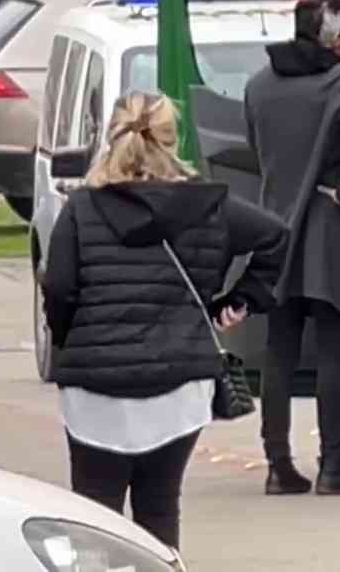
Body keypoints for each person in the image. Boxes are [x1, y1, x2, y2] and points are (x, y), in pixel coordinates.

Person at [43, 92, 288, 550]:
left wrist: (70, 338)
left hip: (94, 387)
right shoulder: (211, 206)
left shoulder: (83, 208)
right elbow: (276, 235)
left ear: (110, 138)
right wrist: (240, 300)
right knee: (159, 507)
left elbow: (58, 286)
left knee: (95, 514)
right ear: (173, 142)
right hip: (180, 381)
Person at [245, 0, 340, 496]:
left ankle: (278, 464)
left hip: (274, 228)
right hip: (330, 230)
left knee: (279, 350)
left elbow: (255, 148)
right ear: (339, 38)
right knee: (333, 350)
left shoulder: (259, 85)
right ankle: (334, 464)